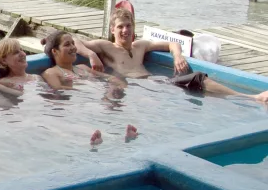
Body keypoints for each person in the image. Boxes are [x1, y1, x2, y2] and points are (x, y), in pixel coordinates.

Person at [76, 9, 268, 102]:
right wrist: (91, 54)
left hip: (155, 83)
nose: (125, 31)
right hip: (134, 88)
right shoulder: (106, 46)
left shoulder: (140, 45)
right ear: (112, 29)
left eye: (128, 26)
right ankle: (251, 98)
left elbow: (172, 42)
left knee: (198, 79)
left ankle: (249, 97)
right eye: (120, 27)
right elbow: (73, 40)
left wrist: (177, 56)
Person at [39, 31, 136, 145]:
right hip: (80, 105)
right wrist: (86, 87)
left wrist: (117, 84)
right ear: (55, 51)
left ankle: (122, 133)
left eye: (72, 43)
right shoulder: (51, 72)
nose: (73, 48)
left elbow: (108, 77)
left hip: (97, 99)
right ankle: (99, 139)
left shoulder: (82, 68)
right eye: (67, 45)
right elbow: (58, 89)